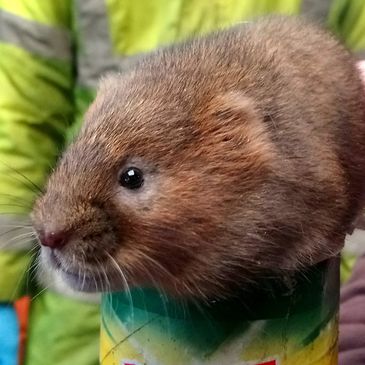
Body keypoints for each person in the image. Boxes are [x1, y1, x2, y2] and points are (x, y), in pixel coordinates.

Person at [0, 1, 364, 364]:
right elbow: (16, 125)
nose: (52, 228)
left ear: (232, 145)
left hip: (300, 321)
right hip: (80, 337)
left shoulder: (284, 161)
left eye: (132, 180)